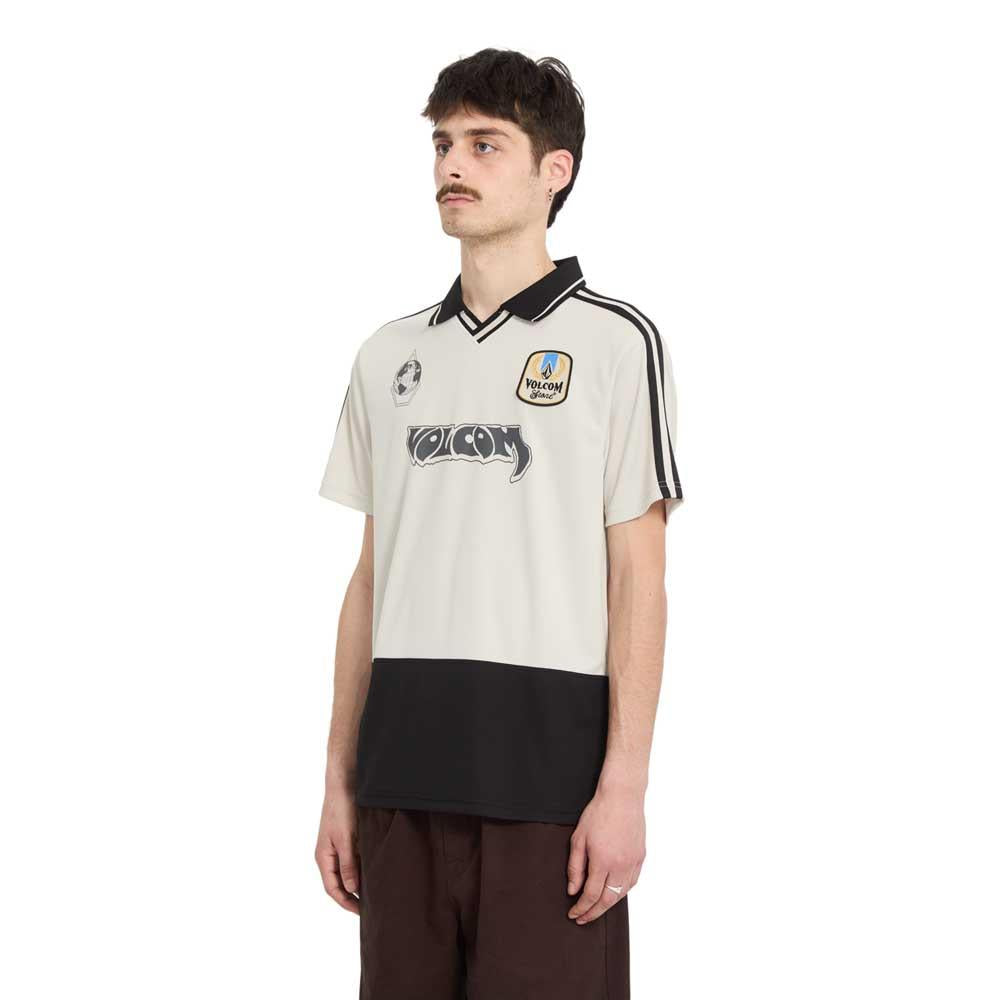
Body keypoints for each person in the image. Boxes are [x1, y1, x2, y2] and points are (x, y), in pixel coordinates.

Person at [315, 47, 683, 999]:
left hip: (547, 787)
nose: (452, 164)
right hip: (400, 778)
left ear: (555, 170)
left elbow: (639, 577)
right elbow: (370, 578)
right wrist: (338, 782)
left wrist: (625, 788)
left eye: (485, 144)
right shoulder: (386, 355)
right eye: (443, 144)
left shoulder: (615, 343)